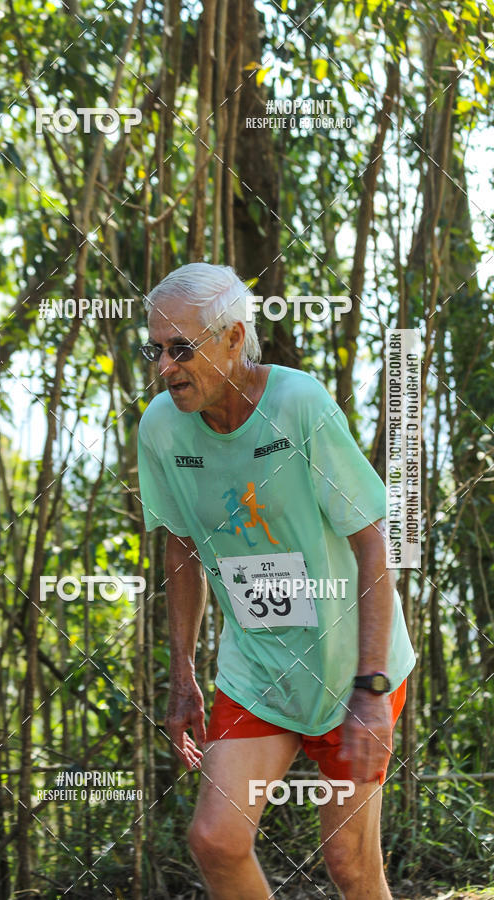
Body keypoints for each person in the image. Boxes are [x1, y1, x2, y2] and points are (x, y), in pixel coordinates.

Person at [137, 262, 415, 899]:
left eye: (183, 349)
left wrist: (372, 689)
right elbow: (181, 551)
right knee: (215, 840)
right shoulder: (159, 428)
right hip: (259, 668)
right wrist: (182, 675)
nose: (165, 367)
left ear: (235, 338)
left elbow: (371, 543)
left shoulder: (298, 405)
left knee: (349, 865)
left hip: (350, 663)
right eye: (156, 349)